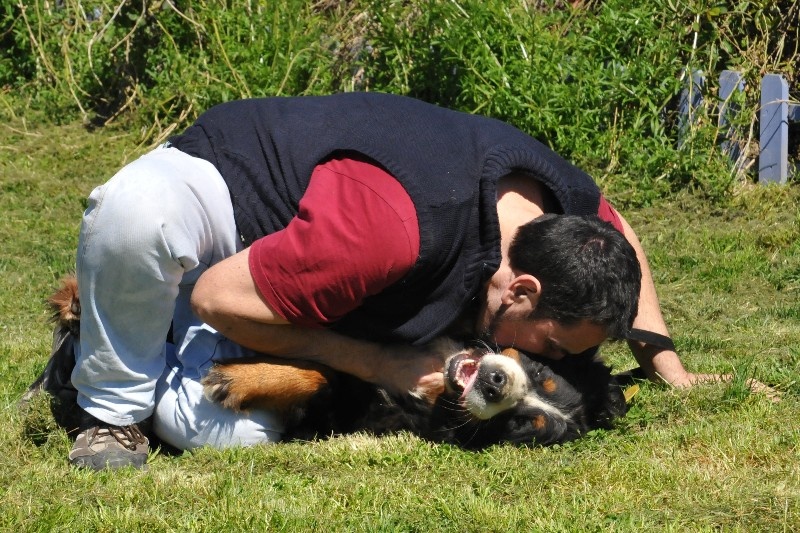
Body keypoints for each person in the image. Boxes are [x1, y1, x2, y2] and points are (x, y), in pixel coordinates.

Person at [60, 92, 704, 471]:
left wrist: (667, 367)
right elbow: (217, 298)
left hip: (306, 268)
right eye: (554, 350)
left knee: (224, 434)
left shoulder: (568, 217)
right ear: (522, 291)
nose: (549, 362)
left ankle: (124, 325)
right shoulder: (395, 229)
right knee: (136, 218)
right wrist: (380, 364)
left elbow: (623, 242)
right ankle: (110, 401)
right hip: (228, 202)